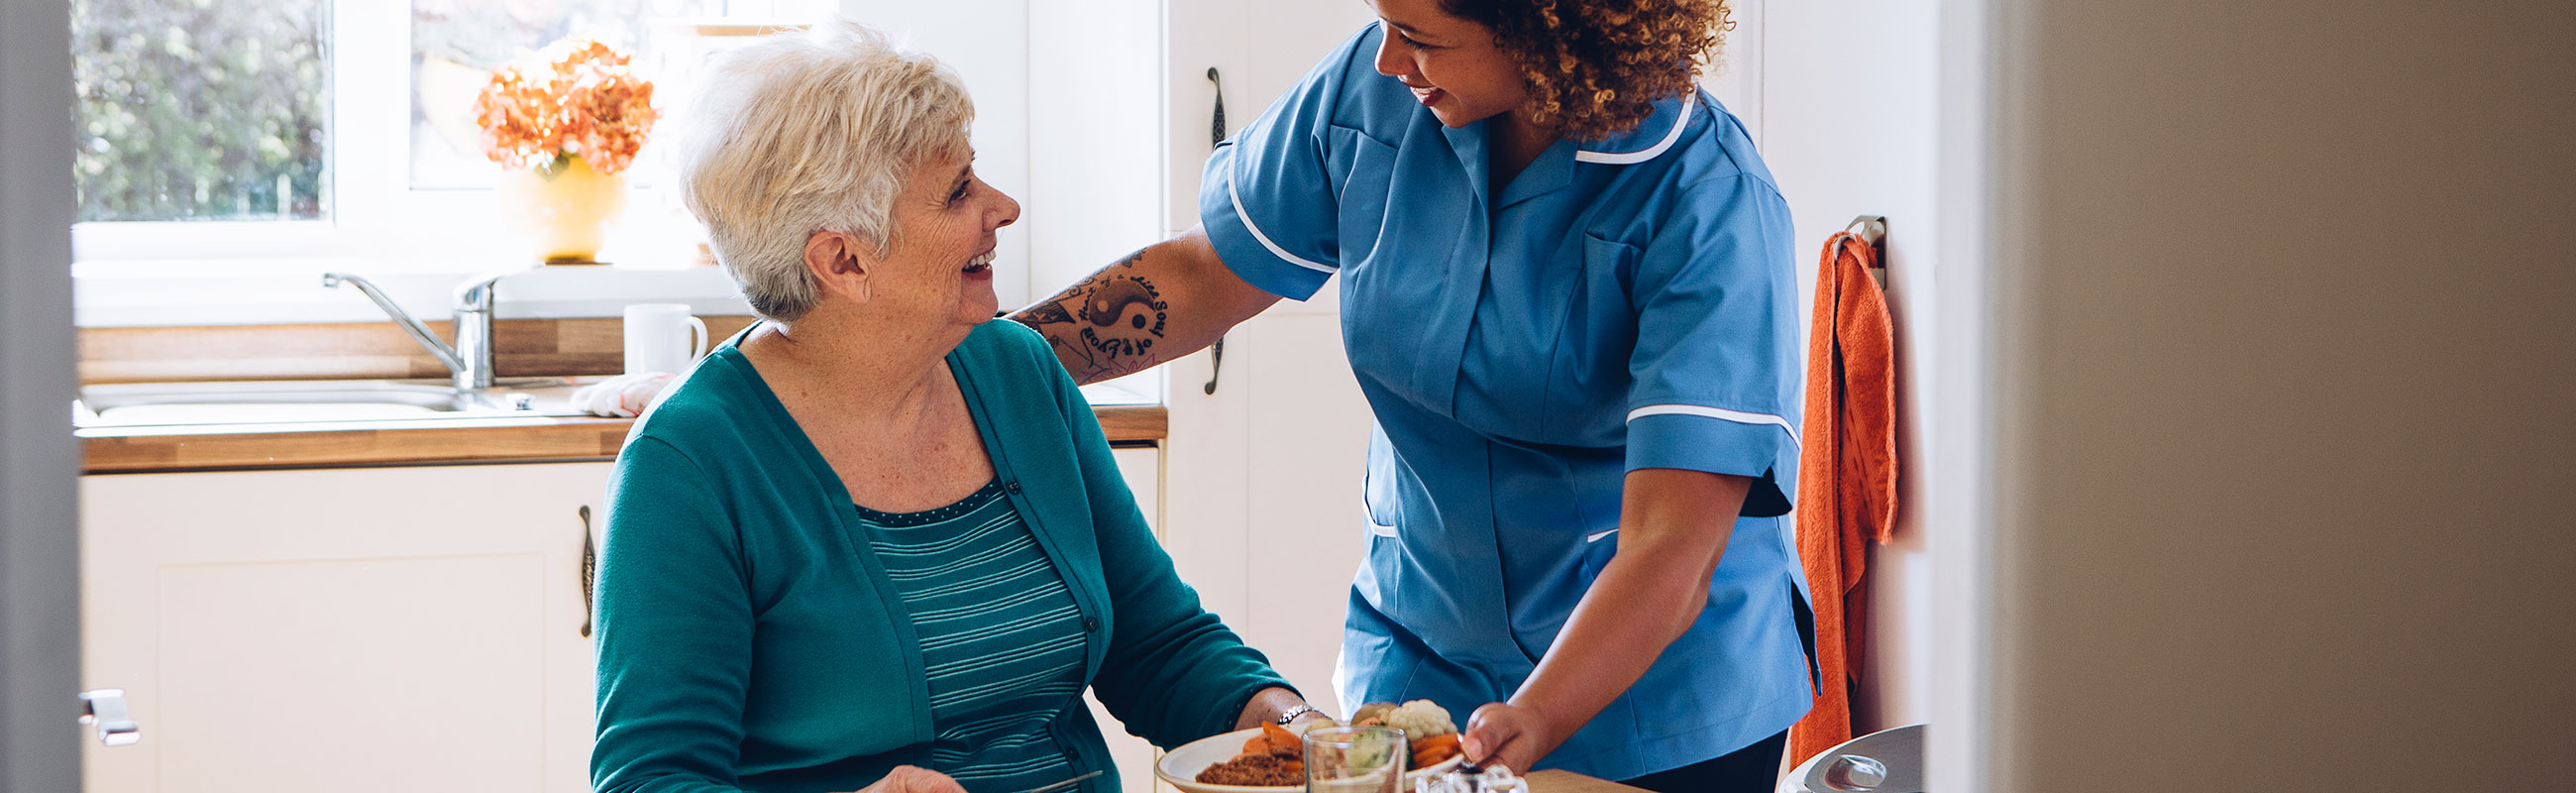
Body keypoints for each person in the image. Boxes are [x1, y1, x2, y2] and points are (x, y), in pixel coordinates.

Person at [1011, 1, 1812, 790]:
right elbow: (1204, 274)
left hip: (1653, 700)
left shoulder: (1708, 197)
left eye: (1420, 38)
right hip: (1419, 661)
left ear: (1546, 29)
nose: (1387, 58)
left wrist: (1535, 716)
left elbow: (1670, 545)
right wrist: (991, 358)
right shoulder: (1374, 92)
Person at [591, 22, 1320, 793]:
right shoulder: (689, 464)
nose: (1003, 207)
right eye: (958, 192)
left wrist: (1304, 733)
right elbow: (651, 778)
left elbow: (1160, 648)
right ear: (844, 259)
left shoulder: (1017, 372)